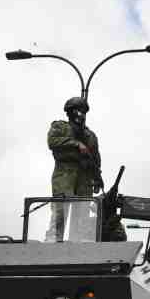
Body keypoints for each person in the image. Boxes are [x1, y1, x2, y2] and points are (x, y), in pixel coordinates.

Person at [45, 97, 102, 242]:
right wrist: (76, 143)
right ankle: (53, 241)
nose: (81, 115)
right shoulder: (60, 127)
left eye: (83, 112)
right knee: (60, 212)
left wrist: (97, 178)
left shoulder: (90, 136)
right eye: (78, 111)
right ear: (70, 112)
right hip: (65, 176)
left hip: (84, 178)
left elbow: (95, 158)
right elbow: (52, 141)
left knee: (81, 214)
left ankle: (77, 243)